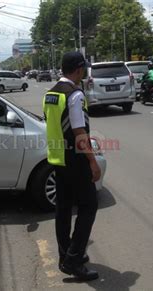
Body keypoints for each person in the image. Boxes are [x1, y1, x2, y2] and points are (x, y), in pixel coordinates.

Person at [42, 51, 101, 281]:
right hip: (75, 159)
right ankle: (74, 260)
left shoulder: (51, 94)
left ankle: (65, 255)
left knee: (63, 209)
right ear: (78, 70)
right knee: (89, 206)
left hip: (57, 158)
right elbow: (79, 133)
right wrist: (93, 162)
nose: (84, 72)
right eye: (83, 68)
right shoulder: (75, 95)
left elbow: (52, 124)